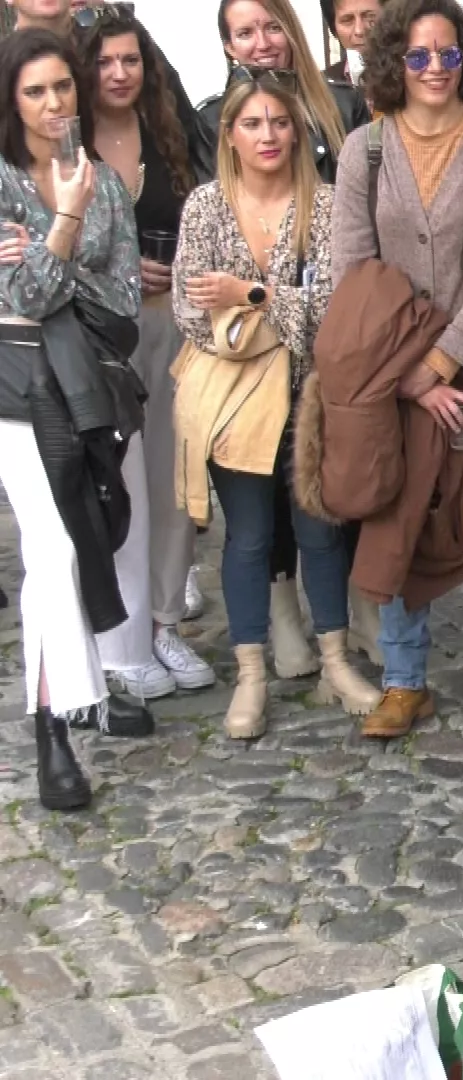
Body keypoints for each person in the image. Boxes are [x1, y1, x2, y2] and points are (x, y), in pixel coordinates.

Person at [334, 0, 463, 737]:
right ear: (394, 62)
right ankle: (403, 676)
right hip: (394, 367)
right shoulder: (366, 150)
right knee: (399, 509)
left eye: (447, 54)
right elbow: (353, 270)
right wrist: (408, 374)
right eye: (417, 56)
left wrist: (444, 364)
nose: (433, 69)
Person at [171, 72, 383, 739]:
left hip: (310, 396)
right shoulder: (205, 207)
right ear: (230, 136)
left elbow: (328, 315)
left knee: (319, 530)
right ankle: (253, 676)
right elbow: (188, 308)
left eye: (280, 122)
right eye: (253, 124)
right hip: (236, 403)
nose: (269, 136)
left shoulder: (323, 207)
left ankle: (333, 662)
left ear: (298, 130)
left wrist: (251, 295)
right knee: (251, 536)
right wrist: (271, 308)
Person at [0, 28, 149, 811]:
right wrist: (64, 229)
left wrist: (44, 265)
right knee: (53, 549)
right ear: (11, 100)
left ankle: (86, 691)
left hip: (88, 382)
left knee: (96, 528)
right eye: (35, 91)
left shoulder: (108, 185)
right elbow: (22, 303)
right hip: (14, 390)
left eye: (63, 86)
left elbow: (121, 306)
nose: (54, 103)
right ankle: (50, 730)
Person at [77, 9, 216, 700]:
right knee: (113, 485)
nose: (119, 73)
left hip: (172, 329)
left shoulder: (169, 135)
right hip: (97, 337)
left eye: (130, 60)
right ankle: (117, 636)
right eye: (104, 63)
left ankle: (164, 624)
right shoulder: (64, 142)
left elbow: (202, 215)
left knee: (172, 482)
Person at [7, 0, 211, 180]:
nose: (119, 74)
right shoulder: (4, 64)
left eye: (63, 86)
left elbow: (188, 133)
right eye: (35, 92)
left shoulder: (115, 37)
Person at [196, 0, 368, 184]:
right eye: (245, 33)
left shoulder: (345, 103)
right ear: (229, 47)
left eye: (273, 28)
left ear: (290, 31)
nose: (263, 44)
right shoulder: (211, 121)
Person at [321, 0, 383, 103]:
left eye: (370, 16)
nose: (359, 31)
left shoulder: (411, 75)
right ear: (334, 30)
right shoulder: (322, 86)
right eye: (347, 20)